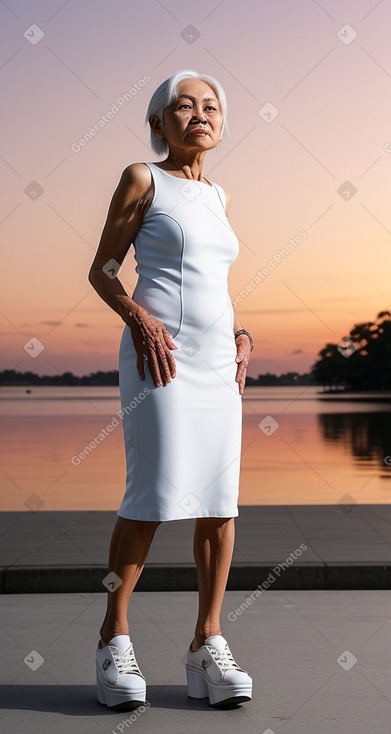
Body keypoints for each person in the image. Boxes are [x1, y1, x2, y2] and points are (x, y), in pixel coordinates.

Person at [89, 69, 254, 711]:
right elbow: (102, 270)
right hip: (156, 356)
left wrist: (241, 335)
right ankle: (114, 638)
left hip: (217, 364)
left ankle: (206, 645)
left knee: (220, 501)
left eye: (211, 106)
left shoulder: (219, 196)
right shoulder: (142, 178)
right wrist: (140, 320)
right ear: (159, 122)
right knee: (151, 494)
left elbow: (212, 282)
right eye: (184, 107)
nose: (200, 115)